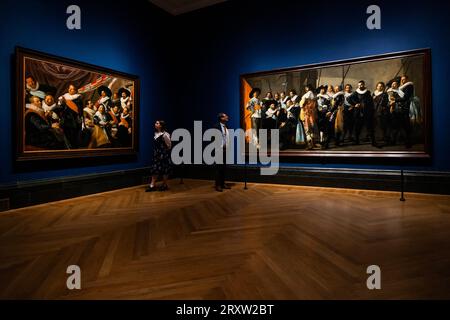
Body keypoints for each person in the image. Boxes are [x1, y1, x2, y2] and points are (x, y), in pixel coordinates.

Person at [348, 80, 378, 147]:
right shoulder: (355, 92)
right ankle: (356, 141)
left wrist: (371, 110)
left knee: (370, 128)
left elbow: (371, 103)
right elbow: (348, 99)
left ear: (364, 85)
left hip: (367, 112)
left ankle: (373, 142)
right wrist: (355, 104)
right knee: (357, 128)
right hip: (358, 113)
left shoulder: (368, 92)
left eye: (361, 85)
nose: (359, 86)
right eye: (358, 85)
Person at [147, 120, 172, 192]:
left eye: (157, 123)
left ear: (161, 125)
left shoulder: (165, 134)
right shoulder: (155, 133)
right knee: (155, 169)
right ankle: (152, 185)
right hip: (157, 154)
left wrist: (163, 151)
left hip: (163, 154)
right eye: (155, 123)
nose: (155, 124)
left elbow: (169, 145)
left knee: (164, 169)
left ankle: (164, 184)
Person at [58, 84, 84, 149]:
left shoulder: (78, 99)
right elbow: (60, 109)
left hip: (74, 121)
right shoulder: (64, 98)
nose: (70, 90)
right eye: (69, 88)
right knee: (66, 137)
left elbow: (79, 111)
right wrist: (62, 103)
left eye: (72, 89)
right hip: (65, 120)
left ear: (75, 90)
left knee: (74, 137)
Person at [213, 113, 230, 192]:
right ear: (221, 118)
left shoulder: (226, 127)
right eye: (225, 116)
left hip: (225, 150)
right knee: (218, 168)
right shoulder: (216, 126)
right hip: (219, 150)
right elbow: (213, 139)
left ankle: (223, 183)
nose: (227, 117)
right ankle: (218, 185)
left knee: (223, 168)